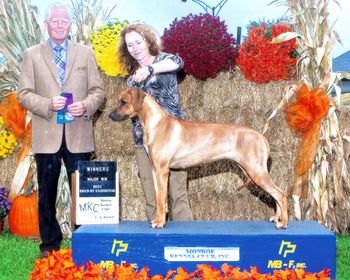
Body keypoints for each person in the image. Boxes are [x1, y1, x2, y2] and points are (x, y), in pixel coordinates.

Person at [17, 2, 105, 257]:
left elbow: (98, 91)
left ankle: (85, 241)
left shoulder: (85, 53)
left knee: (84, 194)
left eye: (64, 21)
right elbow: (23, 93)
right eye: (54, 21)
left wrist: (85, 106)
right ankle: (49, 244)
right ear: (47, 24)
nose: (59, 25)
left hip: (78, 134)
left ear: (70, 25)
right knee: (46, 193)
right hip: (47, 136)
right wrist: (47, 104)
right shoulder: (31, 54)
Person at [118, 22, 193, 222]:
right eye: (130, 45)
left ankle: (187, 243)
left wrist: (151, 69)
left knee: (178, 196)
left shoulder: (165, 61)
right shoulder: (132, 80)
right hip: (144, 141)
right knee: (151, 197)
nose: (135, 48)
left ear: (147, 40)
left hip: (174, 140)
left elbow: (178, 62)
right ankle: (155, 242)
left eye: (138, 42)